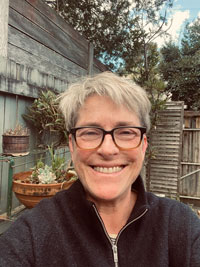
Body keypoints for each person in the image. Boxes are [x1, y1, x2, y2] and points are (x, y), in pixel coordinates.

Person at [0, 71, 200, 267]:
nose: (107, 149)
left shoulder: (182, 226)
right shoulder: (32, 233)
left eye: (126, 132)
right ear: (72, 145)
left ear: (143, 145)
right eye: (90, 132)